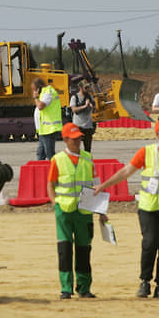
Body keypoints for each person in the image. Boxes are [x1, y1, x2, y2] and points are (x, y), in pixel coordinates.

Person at [94, 117, 159, 299]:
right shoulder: (146, 152)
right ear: (158, 134)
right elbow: (126, 172)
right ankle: (145, 281)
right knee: (150, 242)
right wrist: (103, 186)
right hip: (148, 208)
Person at [47, 122, 106, 299]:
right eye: (73, 139)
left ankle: (84, 287)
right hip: (64, 211)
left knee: (83, 250)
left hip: (84, 211)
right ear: (65, 140)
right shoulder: (57, 159)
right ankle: (66, 288)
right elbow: (50, 183)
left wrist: (101, 210)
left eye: (79, 138)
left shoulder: (88, 158)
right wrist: (54, 202)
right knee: (64, 250)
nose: (77, 142)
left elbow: (96, 185)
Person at [33, 77, 63, 160]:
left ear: (39, 87)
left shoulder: (48, 92)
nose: (34, 92)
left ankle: (54, 170)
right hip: (44, 130)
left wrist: (35, 98)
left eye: (35, 89)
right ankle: (40, 170)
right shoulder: (44, 93)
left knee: (49, 154)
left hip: (49, 129)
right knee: (40, 153)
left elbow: (40, 106)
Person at [70, 81, 96, 153]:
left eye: (88, 87)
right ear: (81, 88)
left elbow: (94, 111)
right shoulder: (75, 97)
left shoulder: (90, 97)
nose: (88, 89)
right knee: (75, 148)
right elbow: (74, 110)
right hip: (77, 126)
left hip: (88, 126)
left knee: (88, 149)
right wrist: (84, 106)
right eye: (86, 87)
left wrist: (93, 107)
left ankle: (87, 162)